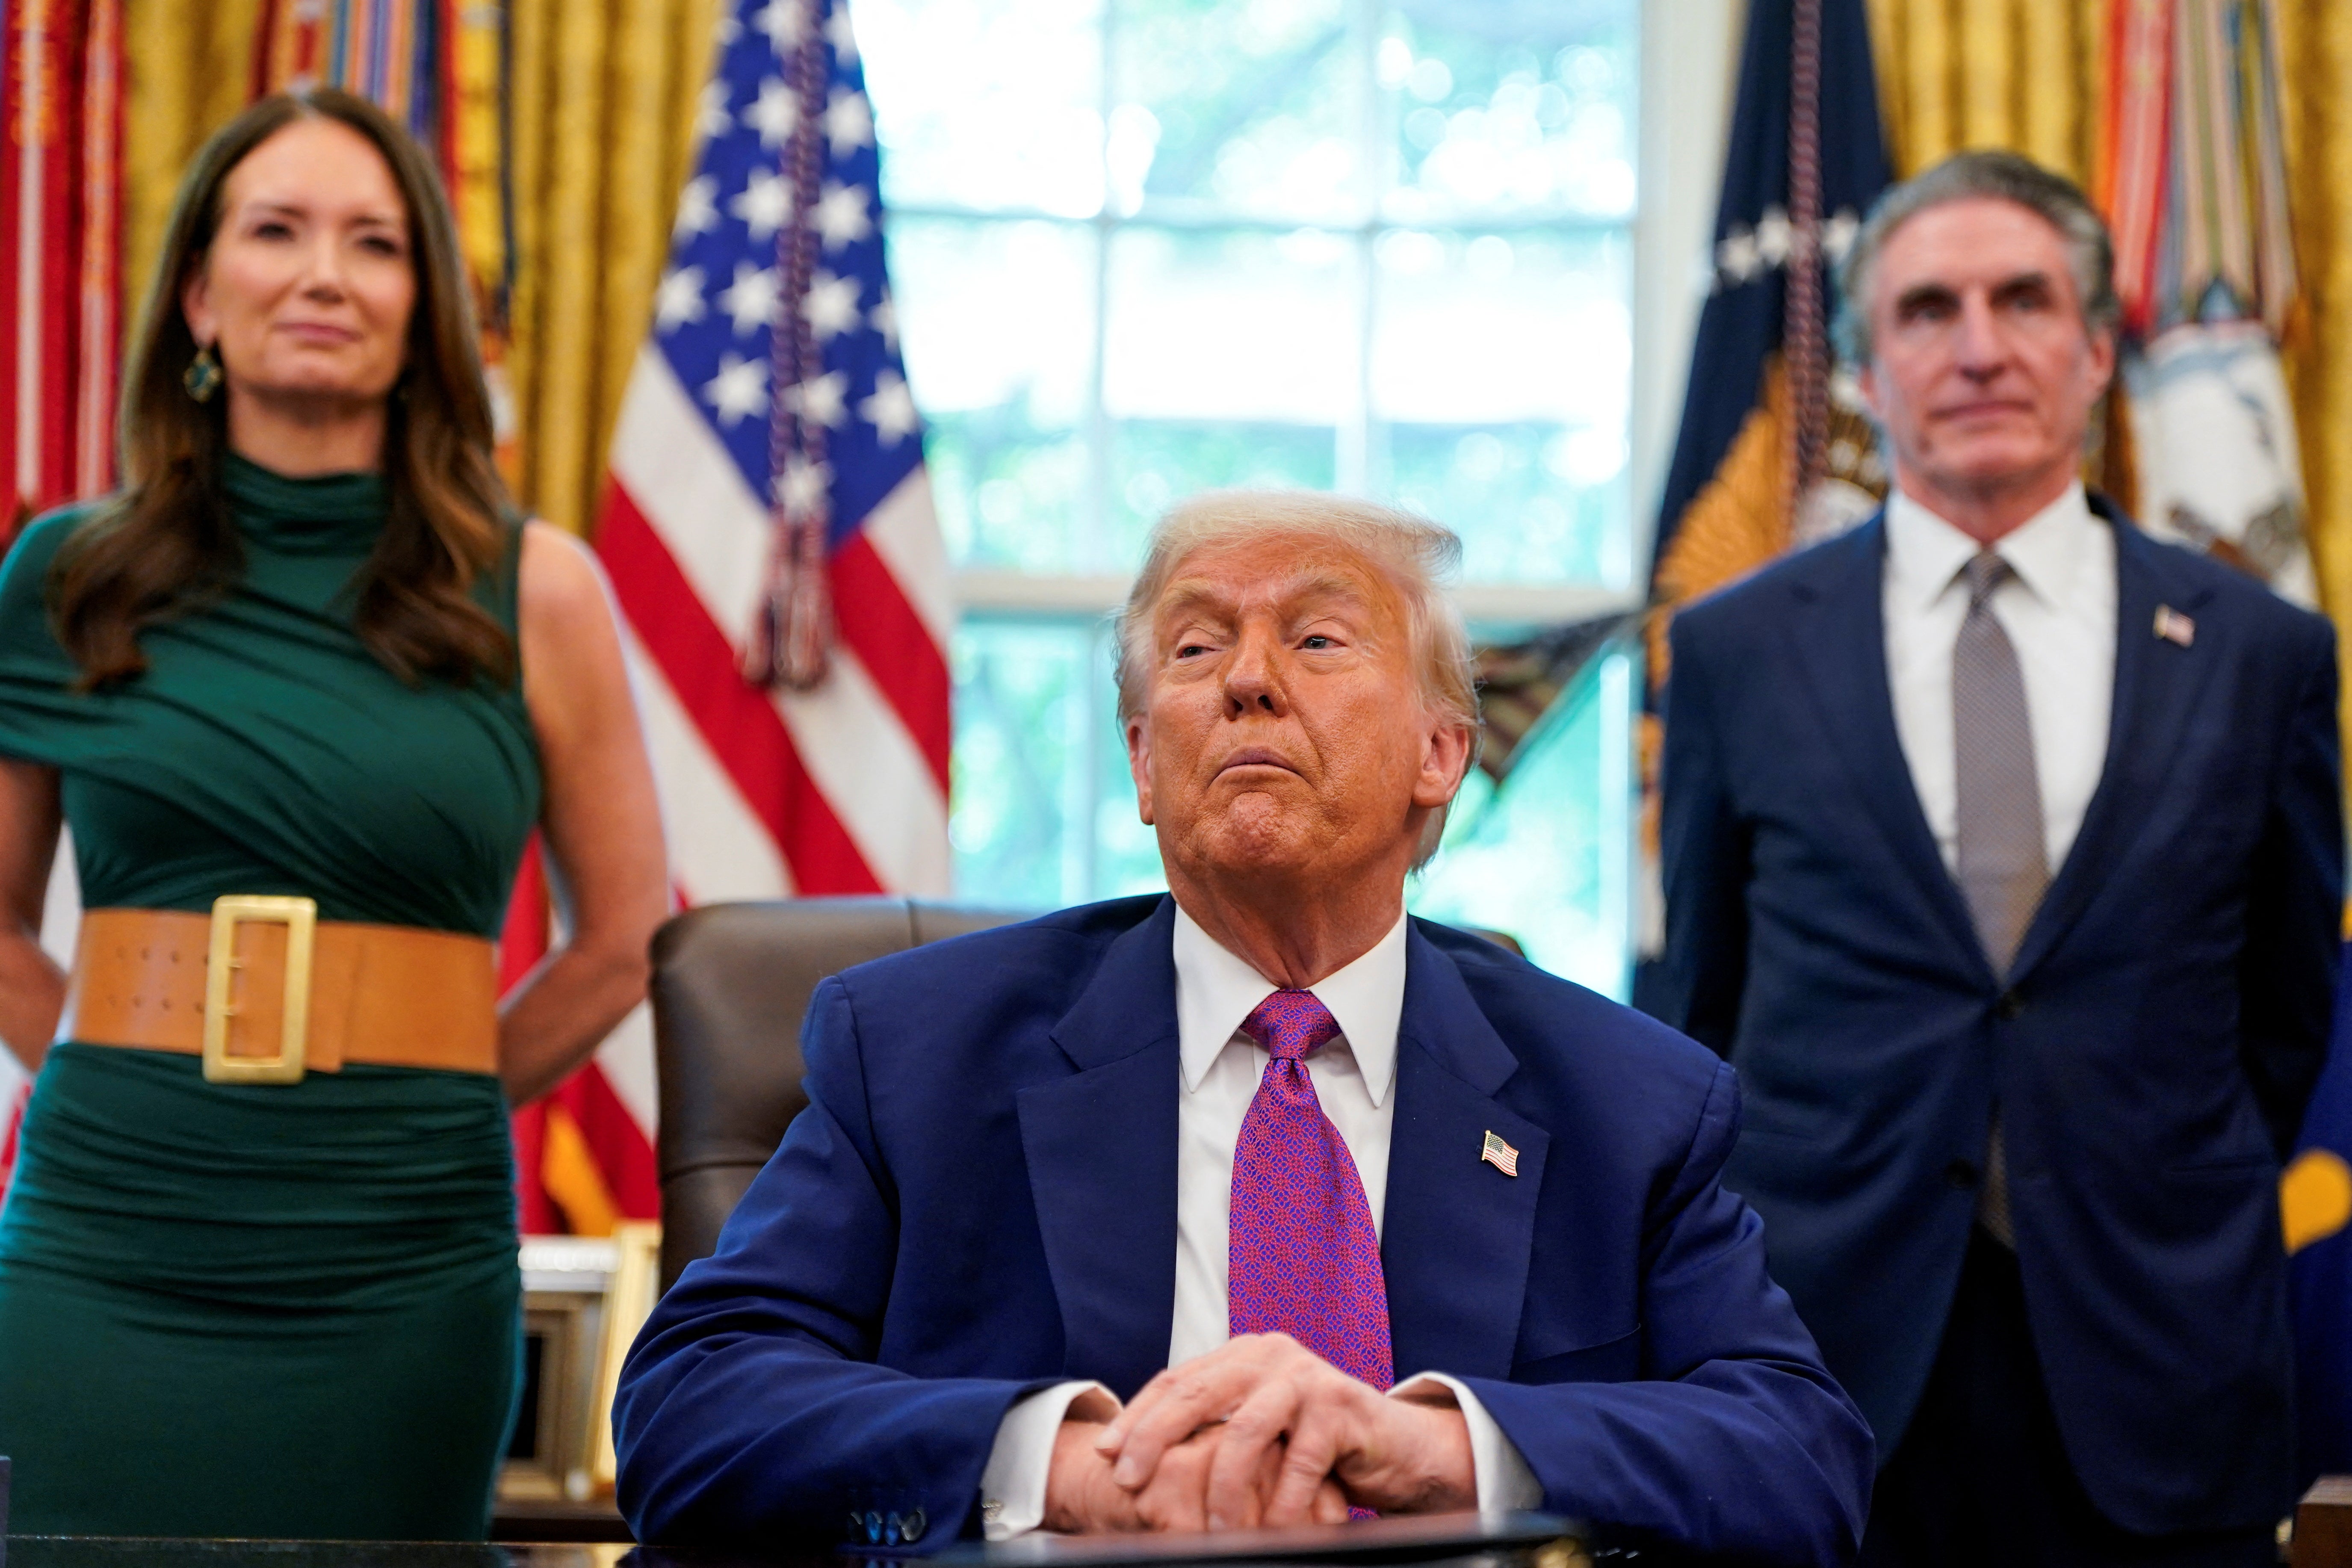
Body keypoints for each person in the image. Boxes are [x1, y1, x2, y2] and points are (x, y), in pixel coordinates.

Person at [615, 490, 1874, 1564]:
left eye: (1318, 638)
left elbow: (1800, 1459)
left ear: (1442, 750)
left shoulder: (1627, 1097)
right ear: (1144, 763)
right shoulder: (915, 1052)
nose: (1251, 680)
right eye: (1194, 650)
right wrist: (1064, 1465)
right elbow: (692, 1404)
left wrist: (1435, 1446)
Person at [1655, 150, 2342, 1567]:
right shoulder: (1733, 649)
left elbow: (2282, 1017)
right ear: (1862, 371)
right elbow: (1704, 1006)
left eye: (2021, 300)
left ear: (2095, 349)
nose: (1975, 347)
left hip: (2160, 1365)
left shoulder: (2258, 653)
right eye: (1924, 311)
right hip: (1824, 1371)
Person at [0, 88, 669, 1538]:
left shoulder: (535, 585)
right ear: (197, 292)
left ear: (422, 305)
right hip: (105, 1228)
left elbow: (624, 937)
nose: (322, 274)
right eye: (276, 231)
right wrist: (97, 1077)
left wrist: (424, 1088)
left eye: (373, 244)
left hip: (401, 1242)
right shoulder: (67, 573)